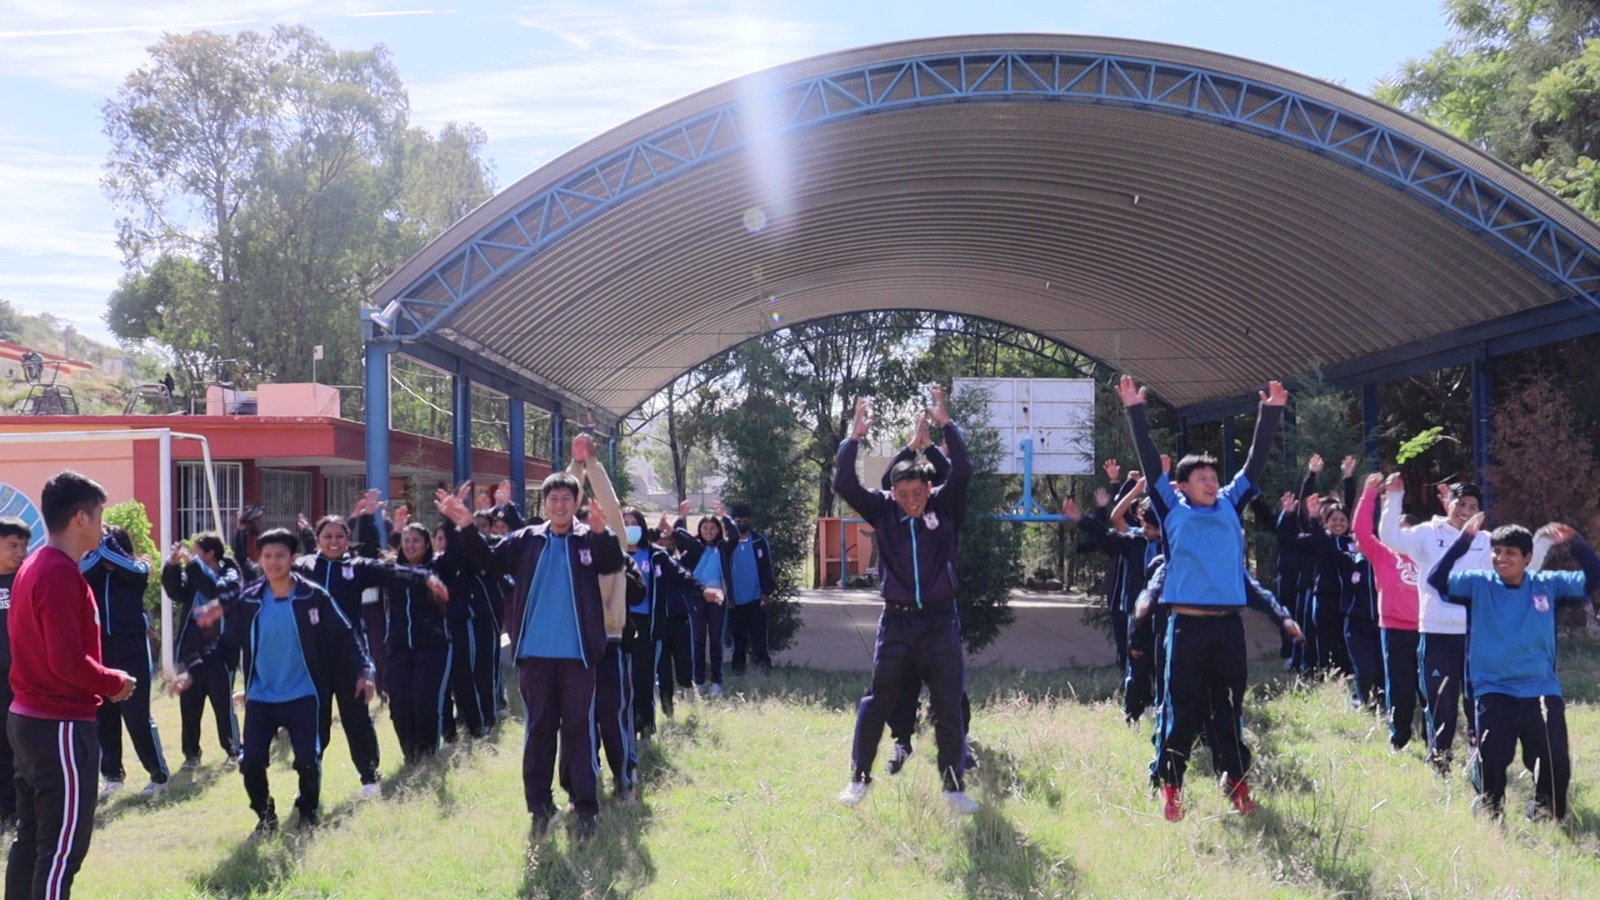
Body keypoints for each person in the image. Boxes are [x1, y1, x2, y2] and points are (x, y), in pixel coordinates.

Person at [1120, 374, 1287, 822]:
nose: (1212, 482)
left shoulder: (1232, 503)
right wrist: (1136, 410)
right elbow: (1151, 463)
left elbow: (1254, 463)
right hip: (1187, 627)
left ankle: (1235, 784)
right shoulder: (1172, 509)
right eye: (1202, 477)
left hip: (1228, 628)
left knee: (1230, 710)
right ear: (1184, 485)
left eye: (1215, 476)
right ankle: (1171, 788)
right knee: (1182, 709)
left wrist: (1269, 412)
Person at [442, 439, 626, 842]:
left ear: (577, 503)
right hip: (535, 655)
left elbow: (615, 564)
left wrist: (600, 533)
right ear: (544, 505)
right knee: (540, 730)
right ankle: (539, 806)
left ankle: (585, 807)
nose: (560, 505)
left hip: (579, 655)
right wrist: (465, 525)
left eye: (567, 499)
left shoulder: (588, 539)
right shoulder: (527, 540)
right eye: (553, 499)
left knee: (579, 730)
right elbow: (488, 559)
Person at [834, 387, 979, 815]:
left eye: (918, 494)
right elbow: (844, 482)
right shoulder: (881, 510)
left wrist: (943, 427)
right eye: (903, 496)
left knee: (948, 701)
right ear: (893, 493)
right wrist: (854, 438)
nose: (911, 502)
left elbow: (964, 469)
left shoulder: (945, 507)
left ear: (928, 488)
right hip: (896, 623)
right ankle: (859, 778)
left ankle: (954, 788)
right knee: (878, 698)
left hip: (939, 622)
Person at [185, 528, 375, 832]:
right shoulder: (250, 601)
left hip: (304, 693)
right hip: (262, 696)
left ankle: (308, 813)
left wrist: (365, 671)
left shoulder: (313, 596)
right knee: (251, 764)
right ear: (260, 560)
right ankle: (265, 815)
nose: (274, 562)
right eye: (268, 556)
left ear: (293, 559)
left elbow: (345, 637)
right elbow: (225, 647)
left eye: (280, 556)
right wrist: (191, 673)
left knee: (308, 761)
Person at [6, 471, 137, 898]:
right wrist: (113, 681)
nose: (103, 526)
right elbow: (66, 661)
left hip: (30, 720)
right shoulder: (58, 571)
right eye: (99, 516)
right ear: (81, 518)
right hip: (57, 725)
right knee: (61, 852)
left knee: (32, 842)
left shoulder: (34, 565)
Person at [1427, 516, 1600, 820]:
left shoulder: (1549, 585)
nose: (1501, 558)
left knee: (1554, 760)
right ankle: (1492, 812)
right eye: (1497, 551)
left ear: (1528, 558)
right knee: (1492, 759)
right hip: (1493, 689)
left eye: (1510, 553)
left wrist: (1575, 543)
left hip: (1541, 689)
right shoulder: (1477, 584)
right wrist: (1463, 542)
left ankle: (1545, 813)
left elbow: (1594, 579)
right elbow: (1437, 580)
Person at [1378, 479, 1545, 775]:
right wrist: (1395, 496)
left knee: (1479, 703)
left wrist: (1542, 543)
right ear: (1447, 503)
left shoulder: (1487, 541)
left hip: (1476, 636)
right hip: (1436, 634)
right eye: (1461, 503)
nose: (1466, 510)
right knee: (1440, 704)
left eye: (1473, 506)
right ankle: (1440, 763)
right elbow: (1390, 536)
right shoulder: (1427, 534)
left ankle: (1478, 761)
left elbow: (1518, 571)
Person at [81, 525, 170, 796]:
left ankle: (159, 775)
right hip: (99, 648)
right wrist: (97, 548)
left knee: (137, 716)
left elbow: (136, 569)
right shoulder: (91, 570)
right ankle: (113, 776)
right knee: (104, 715)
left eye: (107, 544)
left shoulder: (135, 569)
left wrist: (107, 544)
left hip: (131, 648)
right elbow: (80, 570)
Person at [1351, 474, 1424, 749]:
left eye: (1407, 530)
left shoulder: (1425, 554)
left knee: (1428, 688)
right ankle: (1400, 739)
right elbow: (1360, 531)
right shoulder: (1383, 553)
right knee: (1401, 689)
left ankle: (1435, 744)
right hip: (1395, 629)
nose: (1401, 536)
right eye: (1397, 529)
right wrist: (1368, 494)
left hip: (1427, 627)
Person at [160, 533, 242, 770]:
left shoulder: (229, 574)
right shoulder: (195, 574)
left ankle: (234, 750)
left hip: (219, 652)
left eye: (196, 552)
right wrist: (173, 566)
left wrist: (191, 563)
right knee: (190, 704)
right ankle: (192, 754)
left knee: (222, 704)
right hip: (192, 651)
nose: (192, 556)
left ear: (210, 554)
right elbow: (176, 591)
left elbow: (212, 588)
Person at [381, 518, 453, 764]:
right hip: (398, 649)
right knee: (399, 706)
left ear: (427, 544)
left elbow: (459, 552)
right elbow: (365, 559)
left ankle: (428, 754)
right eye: (406, 540)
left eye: (416, 541)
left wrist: (453, 520)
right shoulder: (392, 571)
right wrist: (367, 520)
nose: (410, 545)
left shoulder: (439, 567)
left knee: (425, 704)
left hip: (432, 649)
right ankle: (410, 755)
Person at [672, 502, 736, 698]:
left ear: (718, 530)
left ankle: (717, 682)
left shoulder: (723, 547)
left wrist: (724, 516)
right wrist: (681, 516)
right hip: (696, 597)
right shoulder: (694, 547)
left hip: (718, 597)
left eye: (712, 528)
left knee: (715, 641)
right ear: (699, 529)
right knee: (698, 641)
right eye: (705, 528)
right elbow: (676, 534)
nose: (708, 531)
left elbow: (733, 534)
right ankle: (698, 681)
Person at [0, 517, 32, 824]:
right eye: (12, 545)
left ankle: (24, 811)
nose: (20, 552)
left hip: (23, 680)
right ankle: (5, 811)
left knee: (22, 747)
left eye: (24, 545)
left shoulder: (28, 581)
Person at [724, 503, 776, 675]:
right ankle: (738, 672)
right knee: (738, 640)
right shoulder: (728, 545)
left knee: (759, 637)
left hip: (756, 599)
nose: (741, 524)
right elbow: (723, 571)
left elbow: (766, 569)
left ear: (750, 520)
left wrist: (766, 593)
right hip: (735, 601)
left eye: (745, 521)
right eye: (737, 521)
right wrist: (728, 596)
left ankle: (763, 670)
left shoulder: (759, 542)